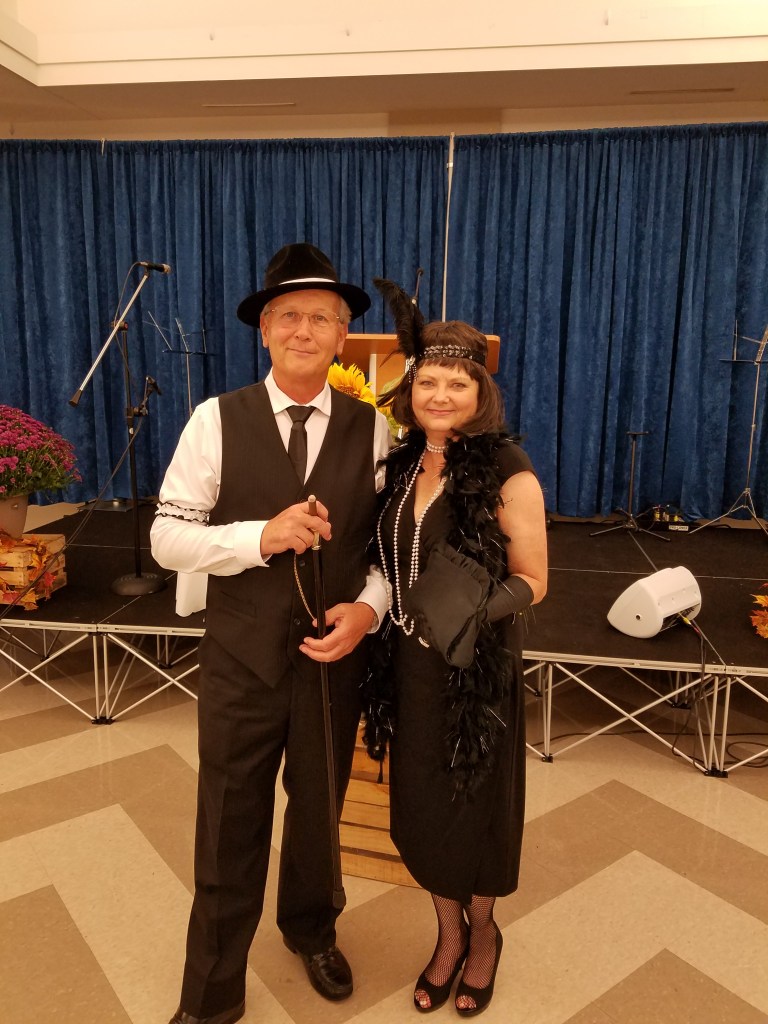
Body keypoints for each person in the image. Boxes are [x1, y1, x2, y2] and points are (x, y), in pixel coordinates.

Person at [151, 243, 391, 1024]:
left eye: (321, 317)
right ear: (264, 330)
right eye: (288, 315)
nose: (303, 330)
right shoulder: (214, 420)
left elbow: (388, 553)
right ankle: (211, 993)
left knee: (320, 813)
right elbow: (166, 538)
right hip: (240, 662)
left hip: (332, 663)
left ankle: (311, 930)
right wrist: (260, 535)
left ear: (343, 333)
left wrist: (369, 610)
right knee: (229, 823)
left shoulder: (375, 430)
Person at [363, 280, 548, 1017]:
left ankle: (482, 935)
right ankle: (447, 935)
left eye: (456, 384)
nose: (440, 395)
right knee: (422, 809)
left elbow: (534, 580)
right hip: (406, 668)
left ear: (480, 394)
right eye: (428, 382)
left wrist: (468, 618)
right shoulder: (400, 465)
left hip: (475, 672)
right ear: (410, 392)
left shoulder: (507, 470)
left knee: (474, 811)